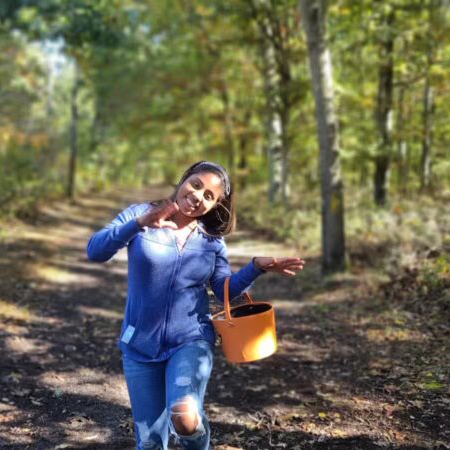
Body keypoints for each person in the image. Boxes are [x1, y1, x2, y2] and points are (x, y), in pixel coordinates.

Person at [86, 161, 305, 450]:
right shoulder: (140, 215)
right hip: (139, 344)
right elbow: (95, 251)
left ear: (215, 206)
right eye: (196, 185)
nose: (198, 196)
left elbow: (223, 289)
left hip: (191, 340)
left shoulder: (211, 241)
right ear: (184, 180)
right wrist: (139, 224)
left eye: (210, 196)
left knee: (185, 417)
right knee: (150, 443)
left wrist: (255, 268)